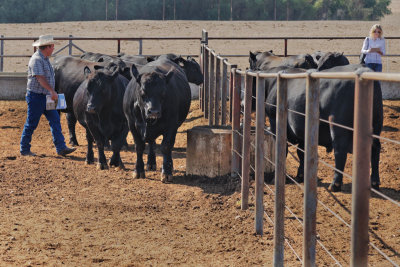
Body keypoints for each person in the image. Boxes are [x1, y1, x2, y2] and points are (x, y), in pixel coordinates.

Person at [20, 35, 76, 157]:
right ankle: (24, 149)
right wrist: (52, 91)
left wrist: (51, 92)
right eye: (52, 46)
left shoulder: (44, 58)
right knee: (31, 123)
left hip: (45, 96)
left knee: (55, 120)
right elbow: (40, 78)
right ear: (47, 47)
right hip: (37, 97)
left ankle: (61, 147)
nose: (53, 49)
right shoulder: (37, 60)